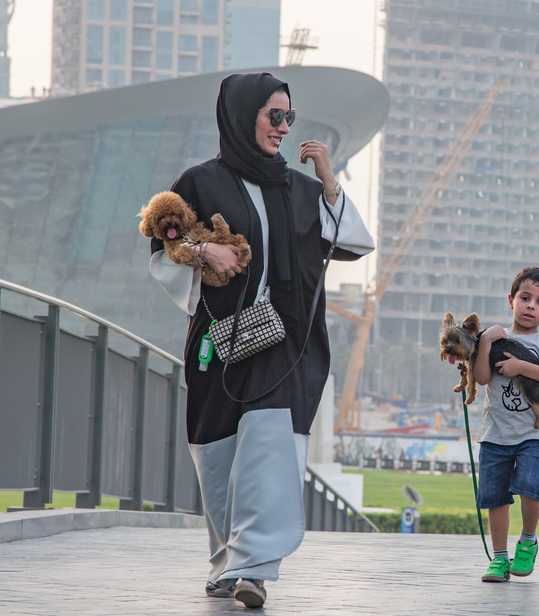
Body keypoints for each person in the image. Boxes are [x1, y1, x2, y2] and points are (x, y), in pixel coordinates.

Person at [146, 72, 374, 608]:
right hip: (219, 341)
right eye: (274, 115)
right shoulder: (199, 182)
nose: (283, 126)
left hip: (285, 343)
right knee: (219, 456)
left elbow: (354, 241)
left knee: (269, 447)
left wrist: (329, 179)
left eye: (289, 117)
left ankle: (254, 568)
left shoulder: (300, 187)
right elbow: (163, 246)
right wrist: (206, 255)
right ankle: (226, 561)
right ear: (241, 114)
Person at [474, 267, 539, 583]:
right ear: (511, 300)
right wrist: (485, 341)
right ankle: (500, 559)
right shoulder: (494, 336)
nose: (531, 306)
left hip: (532, 433)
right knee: (495, 496)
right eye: (525, 298)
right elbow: (482, 378)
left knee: (530, 486)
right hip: (495, 433)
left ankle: (528, 539)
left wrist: (520, 367)